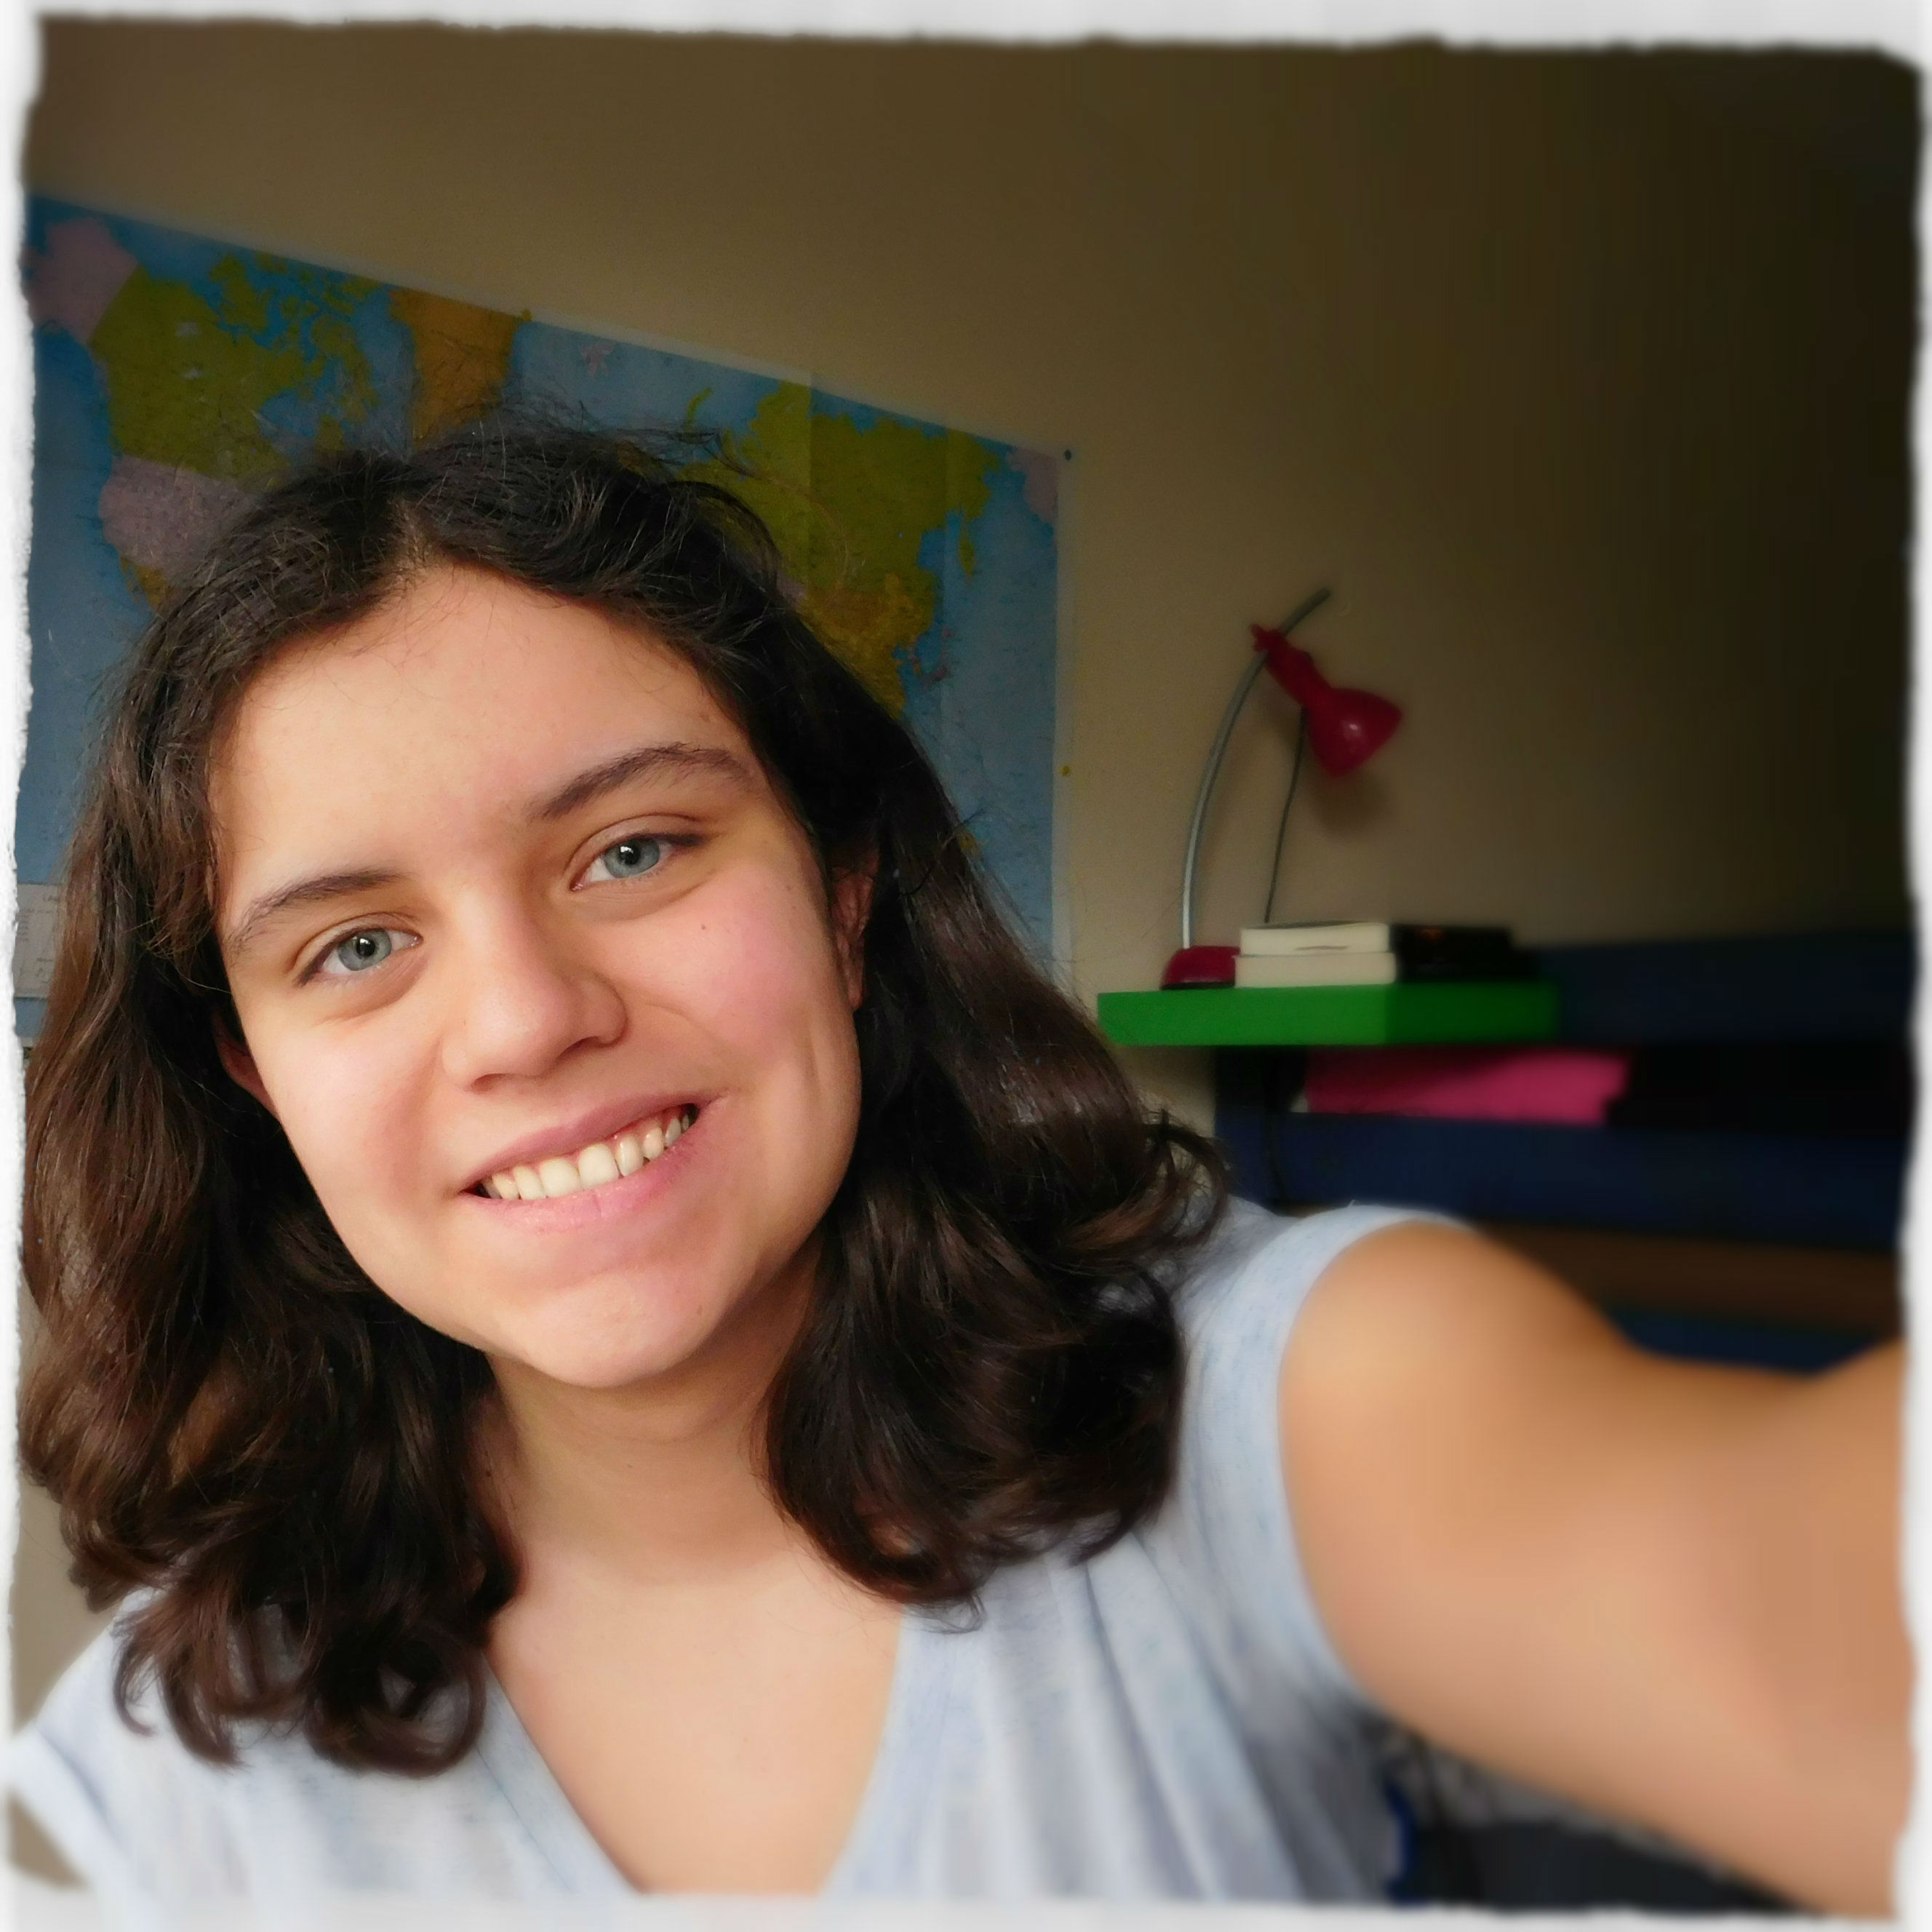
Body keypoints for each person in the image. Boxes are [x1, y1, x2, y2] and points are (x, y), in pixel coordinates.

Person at [7, 421, 1908, 1921]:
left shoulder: (1270, 1411)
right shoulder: (187, 1741)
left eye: (636, 850)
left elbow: (1809, 1614)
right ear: (255, 1076)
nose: (524, 1021)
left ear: (845, 899)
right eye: (354, 946)